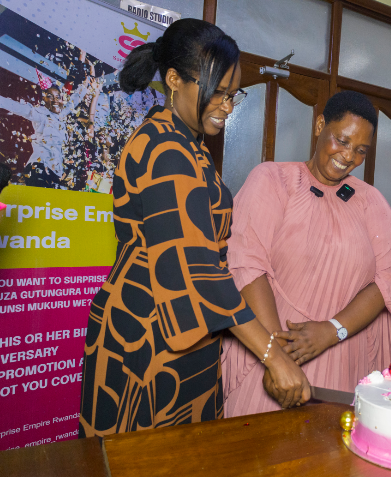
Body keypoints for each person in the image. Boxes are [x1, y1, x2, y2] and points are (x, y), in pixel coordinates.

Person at [79, 19, 309, 437]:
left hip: (183, 328)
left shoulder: (188, 144)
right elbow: (197, 270)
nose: (227, 105)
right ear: (173, 81)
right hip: (150, 334)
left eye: (232, 92)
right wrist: (273, 354)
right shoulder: (168, 150)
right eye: (217, 92)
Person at [223, 91, 391, 416]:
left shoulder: (371, 201)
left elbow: (389, 279)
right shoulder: (272, 179)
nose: (348, 156)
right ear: (320, 125)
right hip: (271, 356)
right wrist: (277, 357)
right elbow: (248, 264)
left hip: (341, 361)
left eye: (361, 150)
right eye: (342, 140)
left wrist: (332, 330)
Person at [0, 63, 97, 189]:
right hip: (39, 168)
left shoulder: (62, 113)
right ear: (44, 100)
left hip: (55, 171)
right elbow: (17, 107)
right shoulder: (39, 114)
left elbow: (77, 97)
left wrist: (90, 78)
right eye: (50, 97)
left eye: (58, 97)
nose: (55, 100)